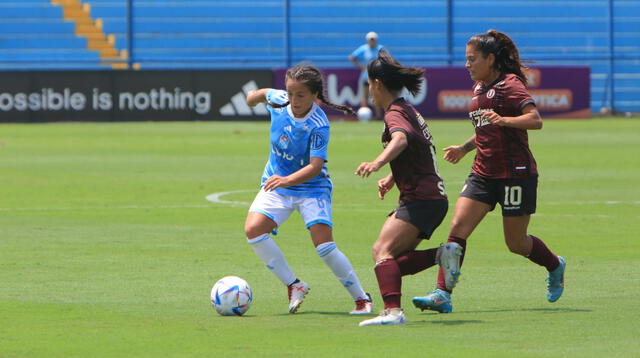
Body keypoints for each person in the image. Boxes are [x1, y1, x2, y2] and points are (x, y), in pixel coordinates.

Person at [412, 30, 566, 314]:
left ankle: (555, 265)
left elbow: (535, 120)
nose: (467, 65)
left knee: (516, 243)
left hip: (516, 174)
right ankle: (442, 294)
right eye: (466, 59)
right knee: (457, 229)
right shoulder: (479, 88)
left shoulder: (510, 84)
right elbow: (486, 127)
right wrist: (464, 147)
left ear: (490, 59)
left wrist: (505, 119)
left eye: (472, 59)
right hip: (483, 172)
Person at [244, 64, 373, 315]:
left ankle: (361, 299)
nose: (293, 100)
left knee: (324, 247)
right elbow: (259, 95)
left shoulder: (318, 124)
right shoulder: (279, 100)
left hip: (312, 188)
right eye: (290, 93)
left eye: (300, 95)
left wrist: (285, 180)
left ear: (314, 95)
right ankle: (294, 285)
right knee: (253, 231)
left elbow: (315, 168)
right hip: (278, 182)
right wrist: (253, 99)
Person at [353, 51, 462, 326]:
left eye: (369, 84)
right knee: (394, 260)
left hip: (421, 198)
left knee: (381, 251)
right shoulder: (408, 109)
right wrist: (392, 177)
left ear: (377, 83)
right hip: (431, 197)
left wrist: (377, 163)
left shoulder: (395, 114)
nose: (369, 91)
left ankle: (392, 312)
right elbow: (418, 150)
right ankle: (442, 255)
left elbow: (401, 141)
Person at [348, 31, 385, 120]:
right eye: (370, 40)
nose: (372, 41)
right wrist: (361, 66)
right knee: (364, 96)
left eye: (373, 40)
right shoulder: (364, 49)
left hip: (378, 76)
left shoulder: (380, 49)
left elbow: (387, 59)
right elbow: (352, 57)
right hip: (366, 76)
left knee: (377, 95)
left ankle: (378, 116)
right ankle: (363, 116)